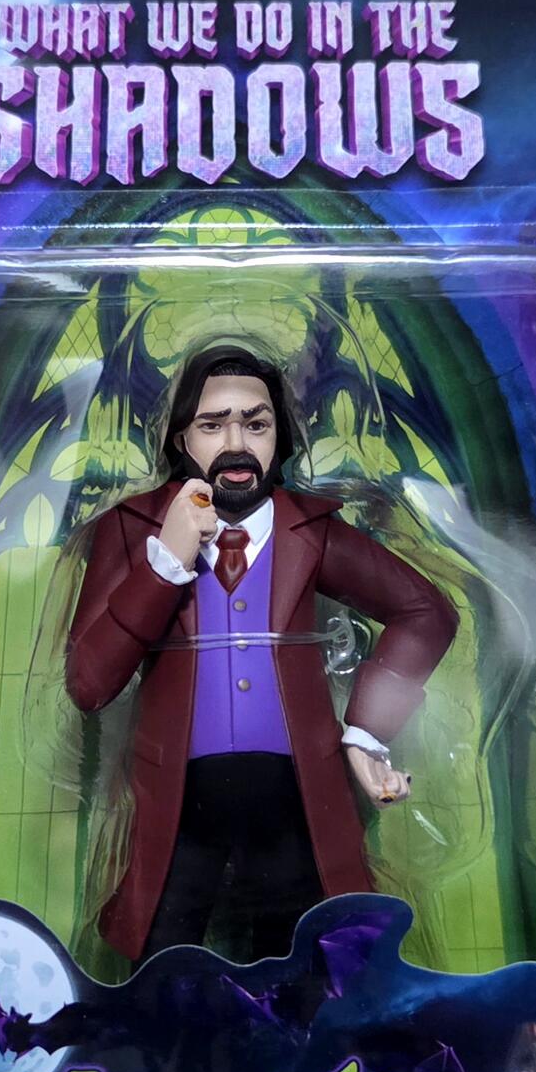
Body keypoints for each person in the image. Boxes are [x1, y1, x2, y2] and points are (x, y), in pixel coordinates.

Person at [67, 346, 458, 962]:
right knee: (165, 954)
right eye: (212, 424)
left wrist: (365, 732)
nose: (236, 444)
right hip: (178, 794)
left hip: (294, 789)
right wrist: (163, 566)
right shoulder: (133, 528)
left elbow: (427, 612)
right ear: (180, 438)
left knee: (300, 950)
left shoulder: (310, 529)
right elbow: (89, 683)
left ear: (280, 435)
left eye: (255, 423)